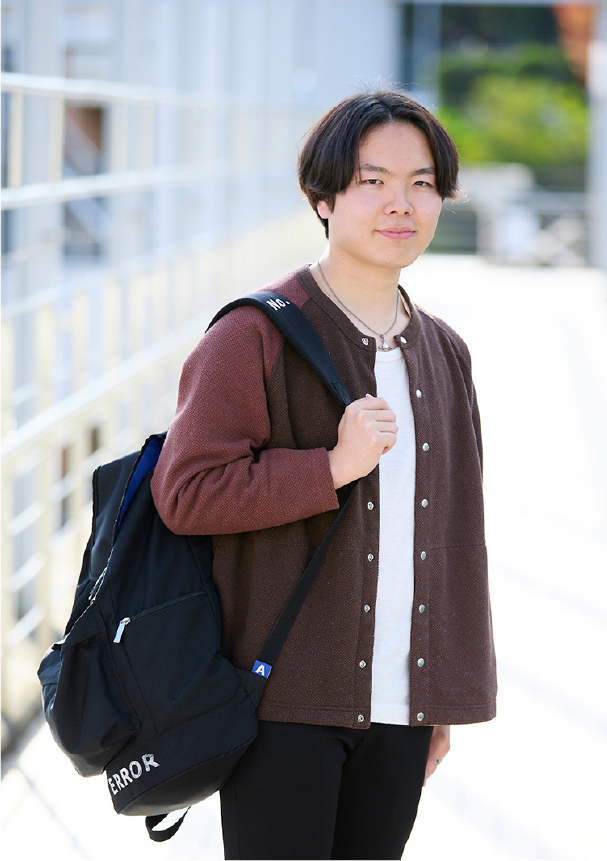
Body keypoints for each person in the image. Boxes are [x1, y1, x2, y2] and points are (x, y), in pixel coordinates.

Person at [151, 89, 497, 860]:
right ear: (322, 198)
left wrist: (440, 689)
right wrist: (332, 467)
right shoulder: (253, 334)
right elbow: (185, 493)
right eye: (372, 181)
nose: (400, 203)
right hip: (282, 702)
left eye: (421, 183)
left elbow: (453, 536)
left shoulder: (444, 352)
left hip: (402, 706)